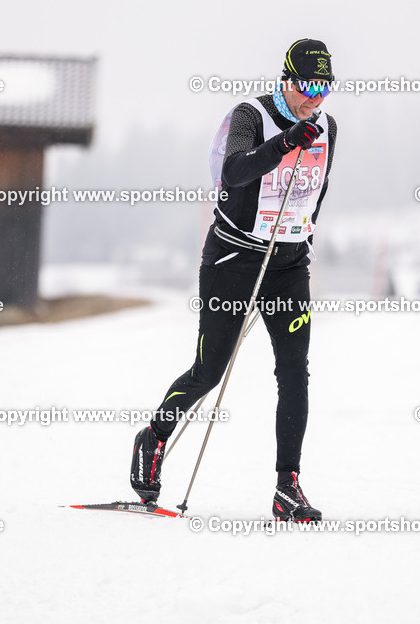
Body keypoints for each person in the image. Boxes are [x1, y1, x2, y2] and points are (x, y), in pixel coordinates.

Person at [130, 39, 338, 522]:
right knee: (210, 370)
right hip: (233, 259)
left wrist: (301, 239)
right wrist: (284, 143)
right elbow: (234, 172)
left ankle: (288, 486)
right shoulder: (251, 115)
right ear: (286, 80)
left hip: (287, 265)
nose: (316, 98)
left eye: (325, 87)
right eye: (308, 85)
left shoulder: (328, 127)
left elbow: (317, 188)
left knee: (294, 371)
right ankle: (154, 437)